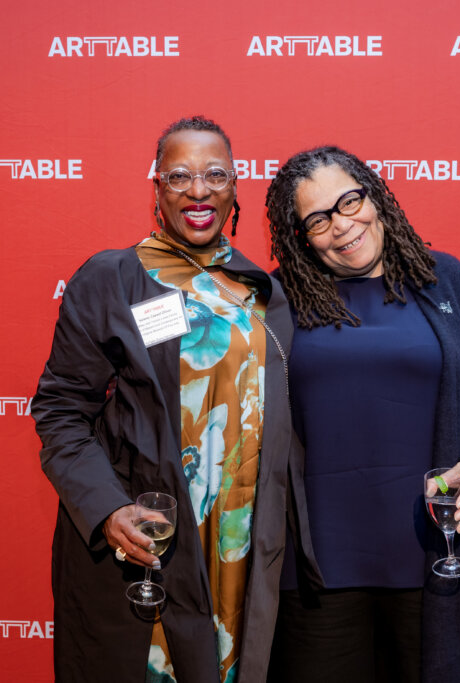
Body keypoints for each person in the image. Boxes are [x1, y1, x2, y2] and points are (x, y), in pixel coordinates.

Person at [31, 116, 320, 683]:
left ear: (236, 187)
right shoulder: (112, 278)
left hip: (238, 544)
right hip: (148, 539)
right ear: (157, 188)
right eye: (179, 176)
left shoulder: (263, 291)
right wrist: (108, 510)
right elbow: (61, 411)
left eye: (215, 174)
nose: (198, 190)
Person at [264, 146, 460, 683]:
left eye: (349, 201)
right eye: (317, 220)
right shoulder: (278, 300)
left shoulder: (443, 279)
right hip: (314, 572)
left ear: (374, 196)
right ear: (300, 237)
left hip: (433, 556)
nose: (341, 226)